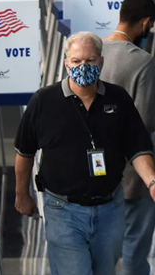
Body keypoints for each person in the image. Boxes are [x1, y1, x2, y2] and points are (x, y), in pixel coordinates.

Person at [14, 32, 155, 275]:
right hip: (63, 210)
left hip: (109, 209)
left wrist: (152, 181)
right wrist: (21, 194)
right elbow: (24, 152)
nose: (83, 66)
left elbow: (137, 147)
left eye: (90, 61)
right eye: (77, 61)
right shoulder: (44, 101)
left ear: (101, 63)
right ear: (66, 63)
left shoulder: (117, 98)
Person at [101, 0, 155, 275]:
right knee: (135, 243)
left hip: (96, 170)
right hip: (135, 172)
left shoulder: (89, 51)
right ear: (146, 23)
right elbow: (144, 122)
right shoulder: (142, 62)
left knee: (103, 245)